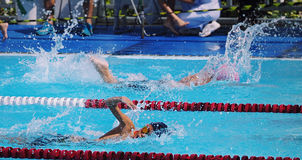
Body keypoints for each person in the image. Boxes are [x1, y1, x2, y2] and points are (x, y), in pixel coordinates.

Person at [0, 96, 169, 145]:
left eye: (145, 133)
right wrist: (120, 99)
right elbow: (108, 104)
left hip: (77, 145)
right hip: (73, 142)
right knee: (19, 142)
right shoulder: (129, 128)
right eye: (144, 129)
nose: (140, 133)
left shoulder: (132, 140)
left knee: (23, 142)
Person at [90, 55, 238, 87]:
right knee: (115, 85)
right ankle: (104, 71)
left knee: (119, 84)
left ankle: (105, 71)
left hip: (167, 84)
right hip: (168, 87)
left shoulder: (200, 77)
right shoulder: (203, 82)